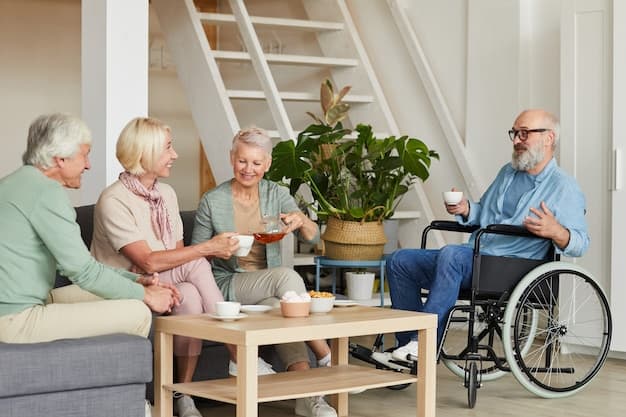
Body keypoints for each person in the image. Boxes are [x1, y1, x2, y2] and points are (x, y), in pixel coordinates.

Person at [0, 113, 180, 416]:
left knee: (128, 294)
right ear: (59, 158)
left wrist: (134, 281)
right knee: (137, 310)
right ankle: (141, 406)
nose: (88, 165)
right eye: (84, 155)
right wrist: (146, 296)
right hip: (15, 318)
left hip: (29, 301)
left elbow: (76, 265)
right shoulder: (46, 194)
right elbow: (83, 272)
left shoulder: (15, 183)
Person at [383, 109, 589, 363]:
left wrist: (556, 231)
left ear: (549, 138)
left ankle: (423, 346)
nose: (516, 140)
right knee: (399, 261)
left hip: (513, 267)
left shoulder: (563, 186)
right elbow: (486, 213)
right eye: (514, 133)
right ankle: (407, 350)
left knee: (452, 255)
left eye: (524, 133)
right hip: (476, 258)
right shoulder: (508, 173)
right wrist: (466, 209)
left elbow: (580, 243)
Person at [90, 116, 242, 417]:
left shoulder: (166, 195)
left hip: (159, 278)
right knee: (197, 261)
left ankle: (181, 394)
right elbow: (145, 261)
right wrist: (208, 247)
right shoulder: (113, 200)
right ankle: (239, 353)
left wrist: (198, 254)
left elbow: (175, 256)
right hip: (124, 284)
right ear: (144, 154)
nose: (174, 155)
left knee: (191, 294)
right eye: (167, 149)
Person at [192, 127, 337, 417]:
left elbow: (313, 237)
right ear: (232, 158)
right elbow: (197, 255)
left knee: (283, 309)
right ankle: (326, 356)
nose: (249, 169)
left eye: (257, 163)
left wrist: (301, 220)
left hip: (267, 288)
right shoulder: (213, 200)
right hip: (229, 282)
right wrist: (217, 248)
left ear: (267, 164)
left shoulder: (276, 194)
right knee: (285, 277)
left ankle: (306, 395)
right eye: (242, 161)